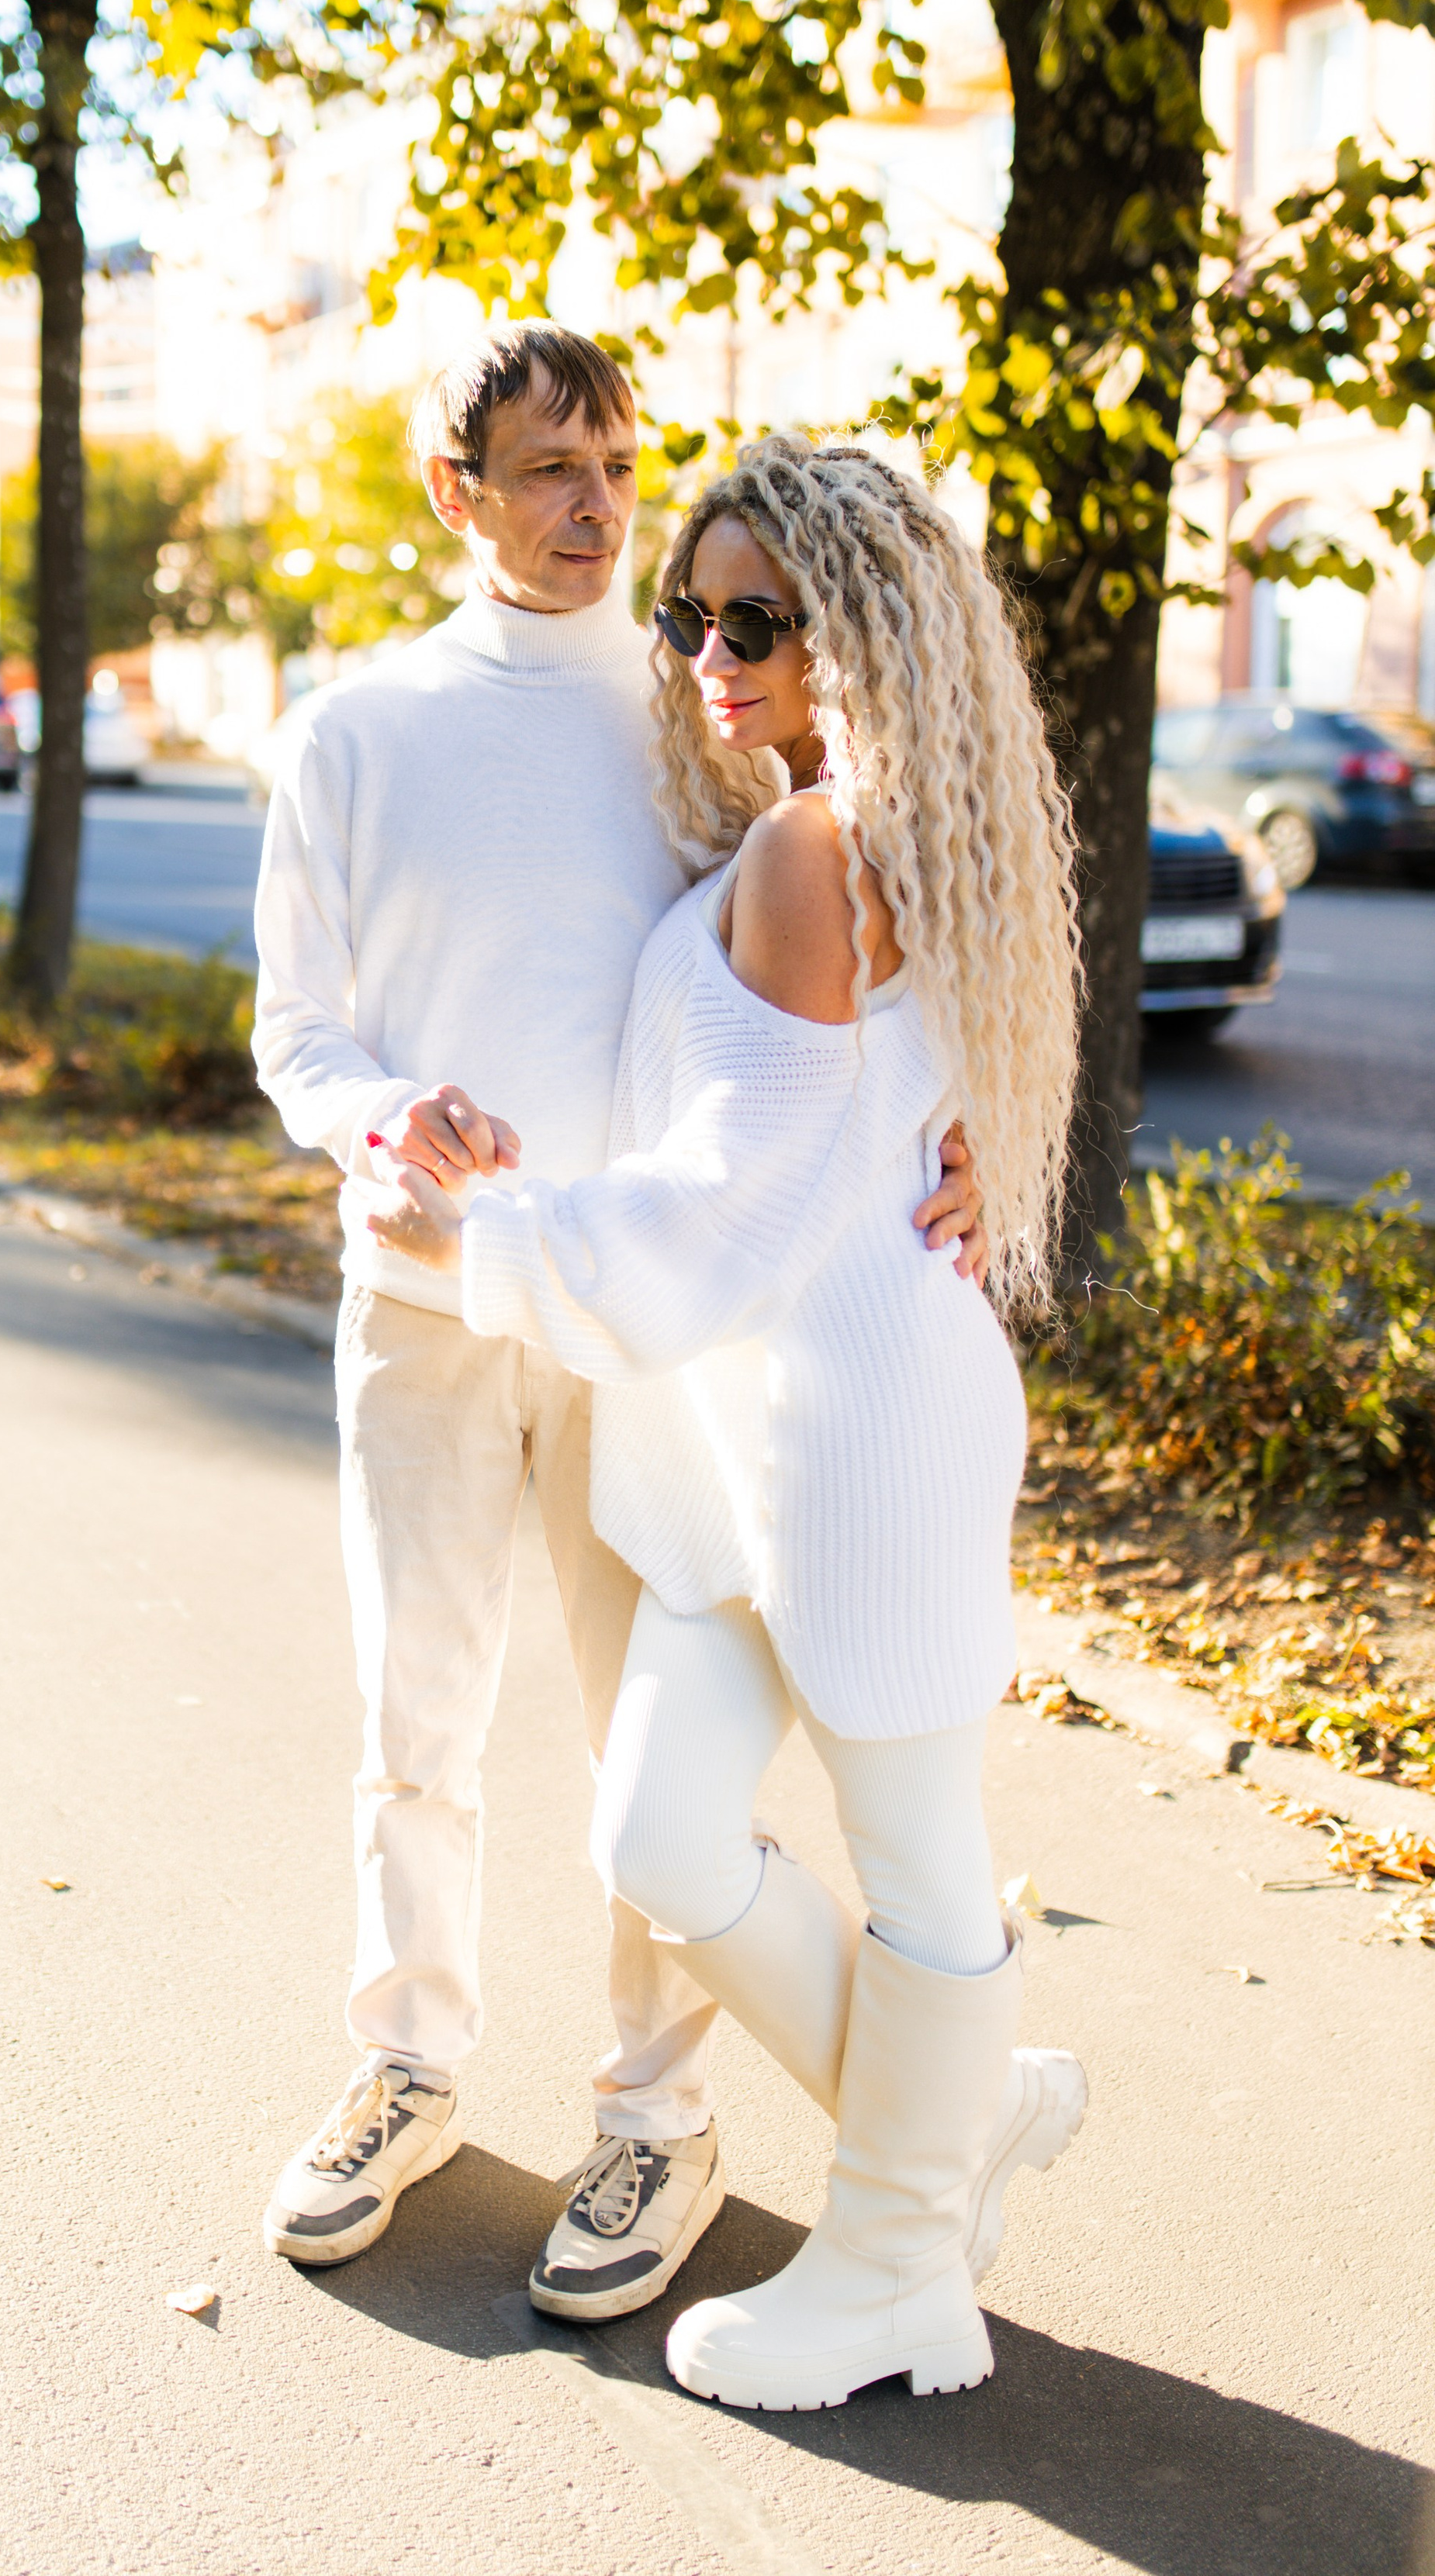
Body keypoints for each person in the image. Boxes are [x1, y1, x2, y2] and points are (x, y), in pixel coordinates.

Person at [251, 330, 988, 2323]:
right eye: (546, 469)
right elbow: (293, 1028)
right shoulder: (349, 731)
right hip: (415, 1300)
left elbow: (893, 932)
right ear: (454, 491)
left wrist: (973, 1135)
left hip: (636, 1337)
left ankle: (652, 2114)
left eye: (613, 464)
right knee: (413, 1714)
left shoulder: (696, 712)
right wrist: (375, 1114)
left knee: (636, 1751)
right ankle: (405, 2061)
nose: (592, 508)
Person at [367, 432, 1089, 2410]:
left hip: (860, 1433)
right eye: (690, 614)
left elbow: (736, 1205)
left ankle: (885, 2271)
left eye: (754, 618)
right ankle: (963, 2124)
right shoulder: (850, 831)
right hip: (732, 1452)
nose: (704, 647)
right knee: (661, 1824)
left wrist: (479, 1227)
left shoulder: (813, 847)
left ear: (859, 629)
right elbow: (826, 1135)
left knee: (918, 1860)